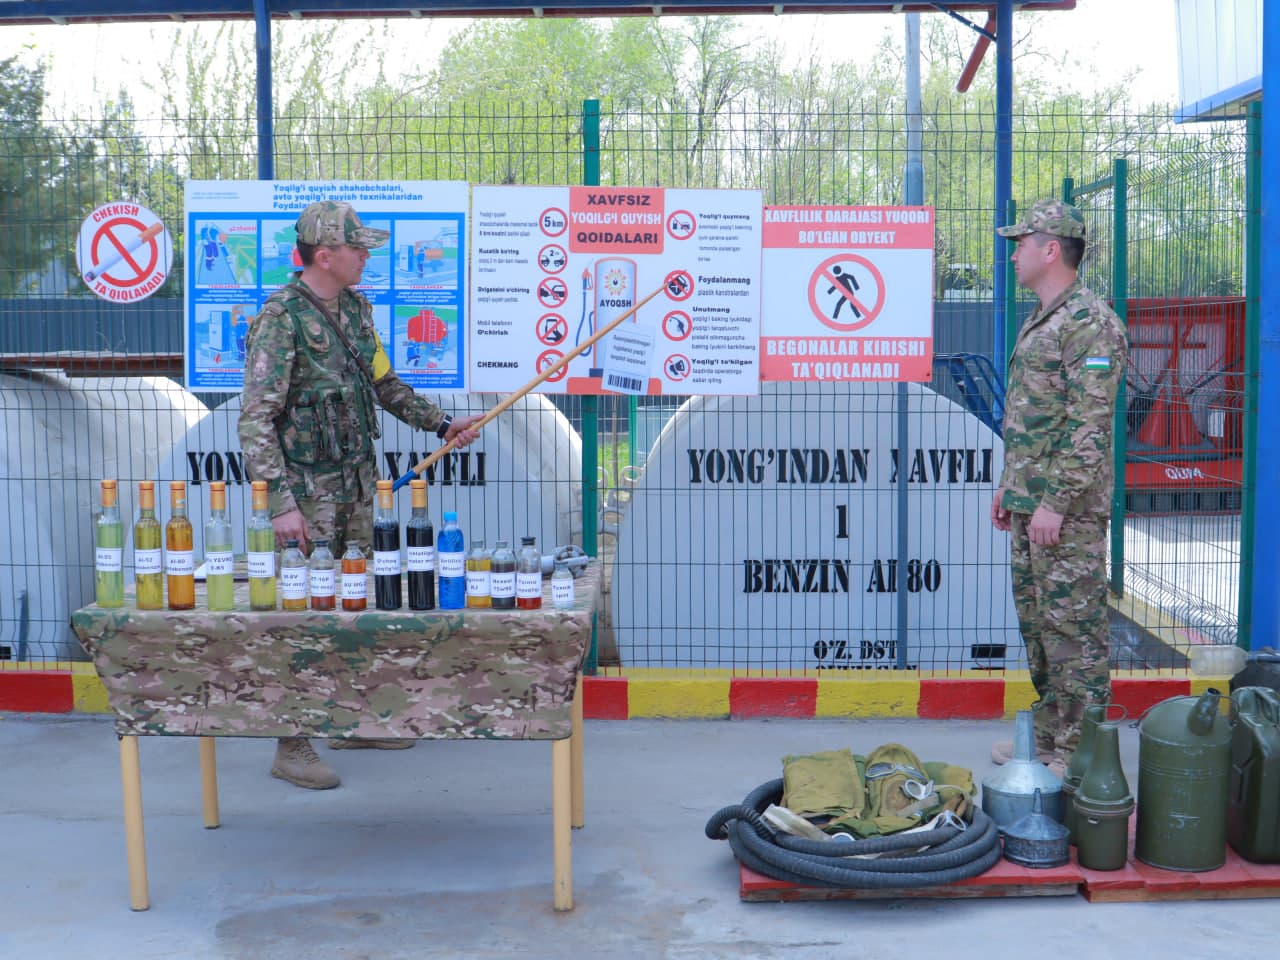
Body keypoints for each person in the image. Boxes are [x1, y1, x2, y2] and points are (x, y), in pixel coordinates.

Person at [238, 200, 483, 790]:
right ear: (325, 256)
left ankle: (349, 719)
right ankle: (291, 742)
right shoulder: (280, 318)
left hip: (356, 485)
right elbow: (256, 418)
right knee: (303, 614)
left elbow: (384, 385)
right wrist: (280, 504)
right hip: (307, 494)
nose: (366, 256)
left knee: (357, 601)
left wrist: (441, 424)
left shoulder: (355, 309)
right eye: (358, 248)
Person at [989, 199, 1128, 775]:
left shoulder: (1090, 322)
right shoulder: (1045, 317)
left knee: (1076, 632)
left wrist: (1053, 502)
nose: (1012, 254)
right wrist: (1011, 486)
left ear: (1051, 250)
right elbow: (1033, 416)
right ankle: (1049, 738)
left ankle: (1081, 753)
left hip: (1066, 510)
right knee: (1041, 627)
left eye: (1021, 243)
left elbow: (1088, 425)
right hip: (1033, 501)